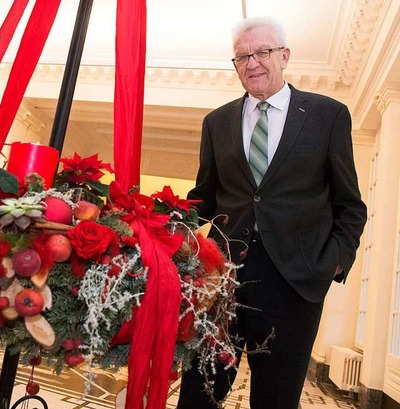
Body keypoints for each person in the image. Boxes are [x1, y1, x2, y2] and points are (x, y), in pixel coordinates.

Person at [177, 16, 367, 409]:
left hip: (295, 284)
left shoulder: (327, 115)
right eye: (242, 56)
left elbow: (349, 205)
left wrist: (330, 264)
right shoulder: (217, 123)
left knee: (275, 400)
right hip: (221, 282)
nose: (252, 63)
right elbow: (204, 198)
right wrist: (163, 226)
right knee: (198, 394)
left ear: (284, 55)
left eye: (262, 52)